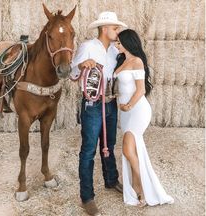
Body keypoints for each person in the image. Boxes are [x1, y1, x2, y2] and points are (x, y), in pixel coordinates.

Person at [71, 12, 127, 215]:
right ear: (104, 29)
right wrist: (81, 65)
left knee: (109, 145)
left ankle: (111, 180)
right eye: (115, 28)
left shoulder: (115, 50)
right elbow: (71, 72)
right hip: (93, 105)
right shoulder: (88, 47)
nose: (117, 31)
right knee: (88, 150)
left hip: (110, 104)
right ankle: (87, 197)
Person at [113, 29, 174, 207]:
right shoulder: (122, 61)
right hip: (125, 112)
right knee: (133, 149)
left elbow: (140, 90)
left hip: (137, 110)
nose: (116, 45)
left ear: (127, 43)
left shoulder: (137, 61)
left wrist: (129, 105)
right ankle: (140, 187)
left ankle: (141, 187)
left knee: (127, 149)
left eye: (118, 42)